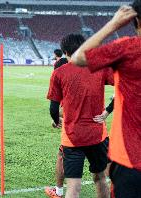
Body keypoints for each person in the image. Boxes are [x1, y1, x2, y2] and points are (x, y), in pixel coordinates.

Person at [71, 2, 141, 197]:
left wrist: (114, 23)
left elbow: (78, 57)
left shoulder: (128, 48)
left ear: (135, 19)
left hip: (131, 159)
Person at [47, 34, 114, 198]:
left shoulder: (59, 73)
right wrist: (107, 111)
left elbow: (53, 108)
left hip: (72, 136)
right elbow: (123, 86)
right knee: (100, 178)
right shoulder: (99, 68)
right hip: (97, 135)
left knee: (74, 186)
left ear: (64, 52)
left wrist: (57, 121)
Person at [45, 98, 114, 198]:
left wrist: (56, 119)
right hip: (98, 133)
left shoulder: (68, 84)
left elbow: (57, 109)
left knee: (73, 185)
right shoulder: (96, 82)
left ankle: (58, 191)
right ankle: (122, 189)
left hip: (75, 136)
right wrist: (107, 110)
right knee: (102, 174)